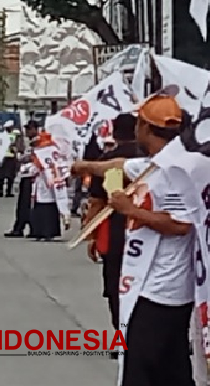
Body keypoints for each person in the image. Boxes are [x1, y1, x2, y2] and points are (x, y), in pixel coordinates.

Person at [72, 95, 198, 386]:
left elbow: (181, 225)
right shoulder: (155, 164)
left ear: (144, 126)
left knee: (141, 366)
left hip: (164, 287)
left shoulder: (177, 169)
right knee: (171, 366)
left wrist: (131, 210)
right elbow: (119, 165)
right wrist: (86, 166)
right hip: (147, 280)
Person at [82, 114, 144, 348]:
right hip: (148, 227)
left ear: (115, 132)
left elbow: (97, 201)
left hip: (115, 229)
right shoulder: (150, 159)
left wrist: (92, 236)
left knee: (116, 287)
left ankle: (122, 338)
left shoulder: (107, 160)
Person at [29, 131, 69, 241]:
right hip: (52, 184)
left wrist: (33, 169)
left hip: (44, 184)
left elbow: (36, 168)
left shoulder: (42, 153)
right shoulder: (55, 152)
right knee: (50, 206)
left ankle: (42, 231)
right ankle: (48, 231)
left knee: (43, 208)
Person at [5, 120, 40, 238]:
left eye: (29, 129)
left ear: (35, 129)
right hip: (25, 174)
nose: (27, 132)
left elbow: (34, 157)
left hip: (33, 177)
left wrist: (23, 158)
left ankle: (30, 227)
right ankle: (20, 227)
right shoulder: (29, 142)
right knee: (23, 204)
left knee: (28, 203)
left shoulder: (39, 142)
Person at [0, 120, 23, 198]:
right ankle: (8, 191)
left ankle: (1, 191)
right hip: (10, 157)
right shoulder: (13, 135)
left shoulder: (2, 135)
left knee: (2, 175)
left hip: (3, 157)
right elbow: (16, 144)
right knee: (10, 176)